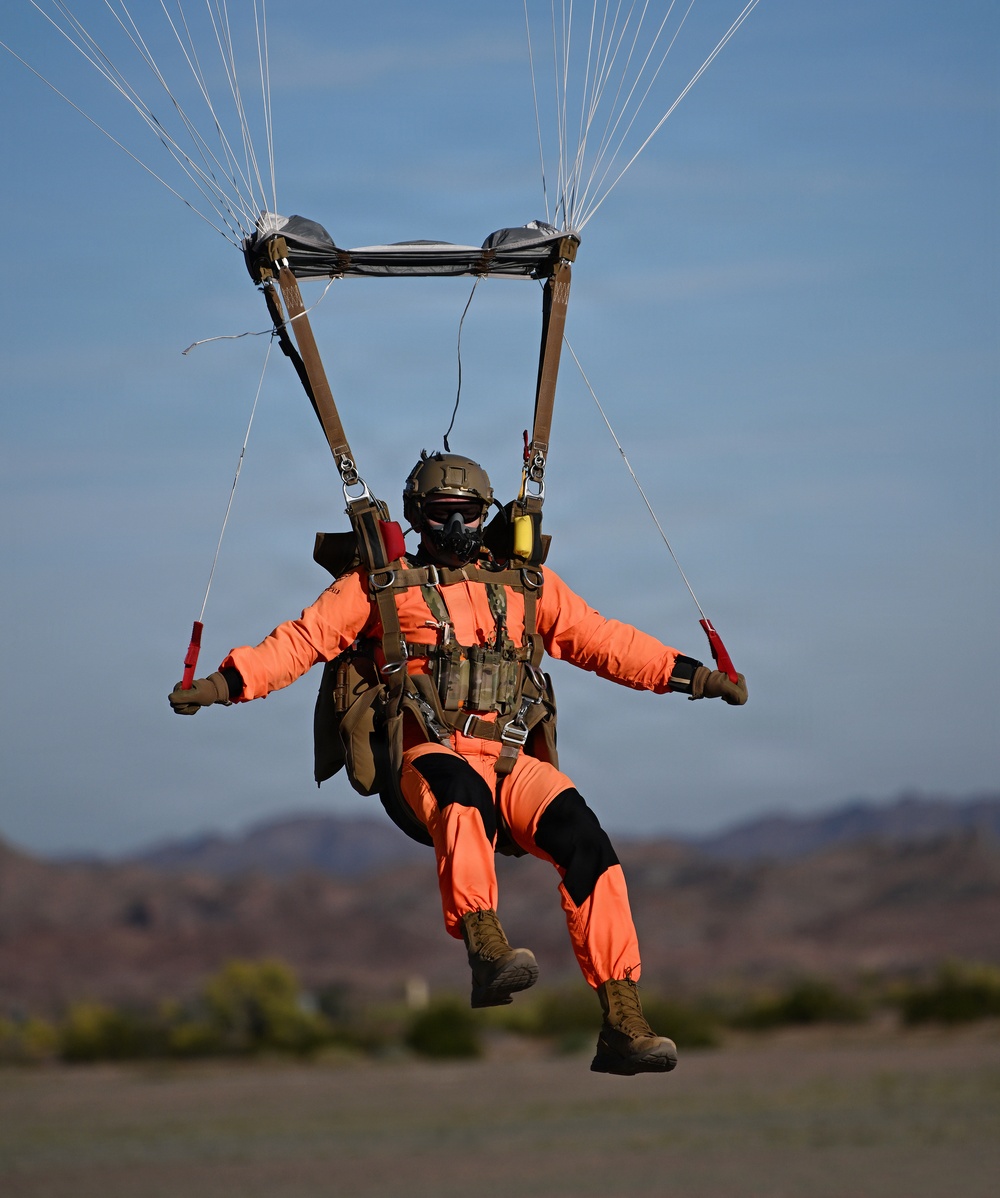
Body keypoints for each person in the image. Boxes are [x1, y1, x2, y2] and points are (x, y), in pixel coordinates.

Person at [169, 450, 747, 1075]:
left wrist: (696, 676)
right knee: (460, 792)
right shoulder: (379, 586)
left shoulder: (527, 588)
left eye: (468, 514)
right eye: (442, 513)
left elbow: (604, 641)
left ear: (486, 514)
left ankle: (622, 1020)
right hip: (427, 753)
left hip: (510, 757)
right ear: (417, 515)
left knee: (588, 842)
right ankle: (485, 946)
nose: (456, 527)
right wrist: (222, 685)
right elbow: (301, 641)